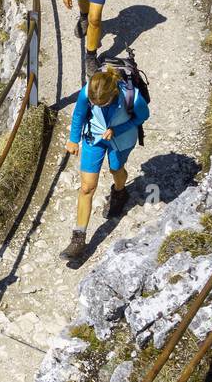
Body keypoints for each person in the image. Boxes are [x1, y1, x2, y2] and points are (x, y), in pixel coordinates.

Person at [61, 65, 149, 263]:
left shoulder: (131, 96)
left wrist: (117, 129)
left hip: (121, 139)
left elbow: (143, 116)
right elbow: (79, 115)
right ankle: (78, 238)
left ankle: (119, 191)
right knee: (86, 187)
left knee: (116, 169)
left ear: (114, 94)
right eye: (94, 104)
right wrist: (74, 139)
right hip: (94, 138)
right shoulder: (88, 90)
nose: (97, 107)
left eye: (102, 104)